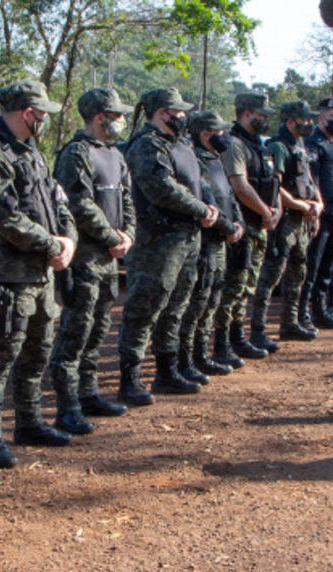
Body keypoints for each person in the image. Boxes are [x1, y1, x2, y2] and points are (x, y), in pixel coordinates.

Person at [0, 80, 78, 469]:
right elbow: (6, 218)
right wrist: (53, 246)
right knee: (2, 356)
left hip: (43, 276)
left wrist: (69, 242)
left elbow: (59, 202)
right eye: (42, 113)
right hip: (11, 277)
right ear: (29, 113)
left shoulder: (34, 154)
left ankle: (29, 422)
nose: (45, 119)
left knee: (38, 352)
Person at [117, 87, 218, 405]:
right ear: (162, 113)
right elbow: (161, 187)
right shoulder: (146, 145)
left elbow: (198, 183)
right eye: (178, 112)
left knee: (176, 308)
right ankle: (130, 380)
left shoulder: (181, 144)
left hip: (186, 238)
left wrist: (210, 209)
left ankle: (167, 372)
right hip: (156, 242)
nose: (183, 116)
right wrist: (201, 210)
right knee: (144, 310)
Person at [49, 88, 135, 435]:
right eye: (117, 116)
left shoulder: (115, 154)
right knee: (75, 332)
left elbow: (127, 197)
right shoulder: (75, 154)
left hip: (109, 260)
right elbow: (79, 204)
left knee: (98, 330)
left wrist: (128, 234)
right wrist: (112, 237)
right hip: (84, 260)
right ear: (101, 117)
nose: (121, 122)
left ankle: (88, 394)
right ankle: (67, 407)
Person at [251, 100, 323, 346]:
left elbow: (310, 180)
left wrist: (318, 205)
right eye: (306, 119)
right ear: (291, 120)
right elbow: (276, 187)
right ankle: (258, 331)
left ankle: (290, 323)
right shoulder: (278, 146)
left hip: (302, 220)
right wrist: (301, 205)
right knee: (271, 276)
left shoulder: (299, 144)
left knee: (298, 273)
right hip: (286, 221)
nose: (310, 123)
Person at [217, 92, 281, 358]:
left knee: (247, 286)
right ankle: (222, 345)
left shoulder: (258, 146)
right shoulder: (234, 144)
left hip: (260, 224)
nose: (266, 119)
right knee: (233, 286)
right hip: (242, 226)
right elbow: (239, 186)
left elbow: (272, 181)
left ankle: (238, 337)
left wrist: (274, 209)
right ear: (246, 114)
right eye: (261, 115)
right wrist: (267, 211)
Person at [183, 110, 244, 378]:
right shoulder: (195, 160)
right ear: (205, 134)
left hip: (222, 241)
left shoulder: (216, 159)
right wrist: (229, 228)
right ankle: (188, 359)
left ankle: (202, 355)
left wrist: (239, 224)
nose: (224, 136)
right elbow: (209, 201)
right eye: (219, 132)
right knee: (198, 302)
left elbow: (229, 196)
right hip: (206, 241)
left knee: (213, 300)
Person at [304, 98, 333, 329]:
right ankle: (305, 312)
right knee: (313, 265)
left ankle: (324, 308)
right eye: (332, 116)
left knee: (328, 266)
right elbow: (311, 180)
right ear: (320, 118)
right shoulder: (314, 144)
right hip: (323, 211)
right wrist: (316, 207)